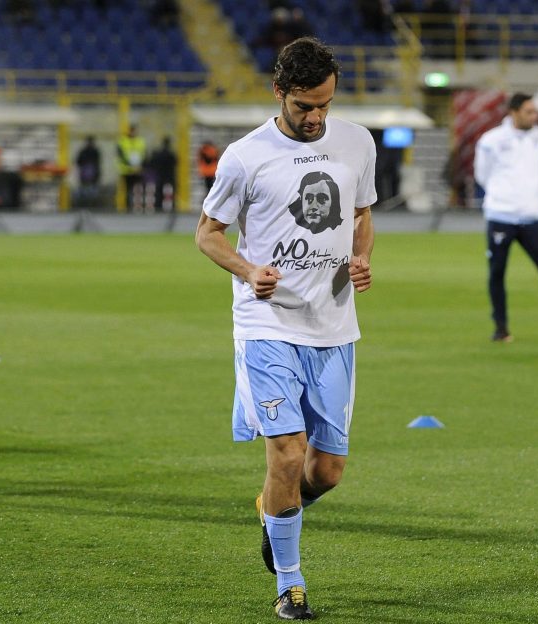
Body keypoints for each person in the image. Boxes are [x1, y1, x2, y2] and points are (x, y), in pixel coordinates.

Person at [195, 37, 376, 620]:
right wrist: (249, 270)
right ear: (279, 93)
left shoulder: (357, 142)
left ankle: (275, 516)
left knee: (325, 472)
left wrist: (361, 257)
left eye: (324, 103)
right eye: (303, 106)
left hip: (334, 327)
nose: (316, 116)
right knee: (285, 453)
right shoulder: (245, 156)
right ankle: (290, 583)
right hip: (267, 325)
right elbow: (208, 232)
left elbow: (362, 212)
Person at [473, 92, 538, 344]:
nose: (535, 116)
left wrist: (528, 197)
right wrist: (505, 196)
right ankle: (501, 328)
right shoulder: (491, 140)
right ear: (514, 112)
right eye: (529, 112)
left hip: (533, 216)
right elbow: (482, 175)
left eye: (535, 112)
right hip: (501, 214)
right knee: (497, 272)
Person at [116, 123, 146, 212]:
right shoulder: (122, 141)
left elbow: (144, 154)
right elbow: (120, 155)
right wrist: (130, 164)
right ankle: (128, 207)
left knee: (138, 190)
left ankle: (138, 207)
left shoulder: (141, 141)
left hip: (138, 170)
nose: (133, 132)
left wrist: (140, 165)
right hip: (126, 170)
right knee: (127, 190)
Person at [149, 135, 178, 212]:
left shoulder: (158, 153)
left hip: (160, 174)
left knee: (159, 191)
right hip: (170, 174)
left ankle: (158, 206)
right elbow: (176, 163)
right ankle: (172, 205)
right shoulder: (171, 154)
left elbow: (152, 163)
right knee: (172, 190)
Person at [75, 134, 101, 207]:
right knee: (87, 190)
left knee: (90, 190)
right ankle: (87, 204)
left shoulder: (91, 151)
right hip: (87, 175)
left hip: (90, 175)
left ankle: (88, 204)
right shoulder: (87, 151)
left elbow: (78, 162)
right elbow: (78, 162)